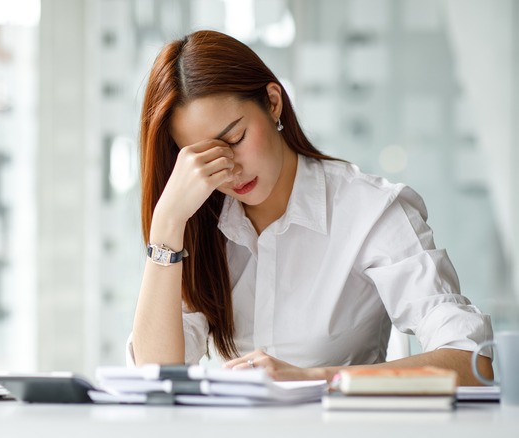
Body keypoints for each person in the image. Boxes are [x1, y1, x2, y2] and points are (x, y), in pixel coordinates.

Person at [128, 30, 494, 385]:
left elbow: (470, 361)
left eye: (235, 139)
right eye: (205, 160)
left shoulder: (368, 210)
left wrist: (314, 378)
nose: (230, 170)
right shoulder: (199, 225)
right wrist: (167, 224)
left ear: (273, 102)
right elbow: (154, 378)